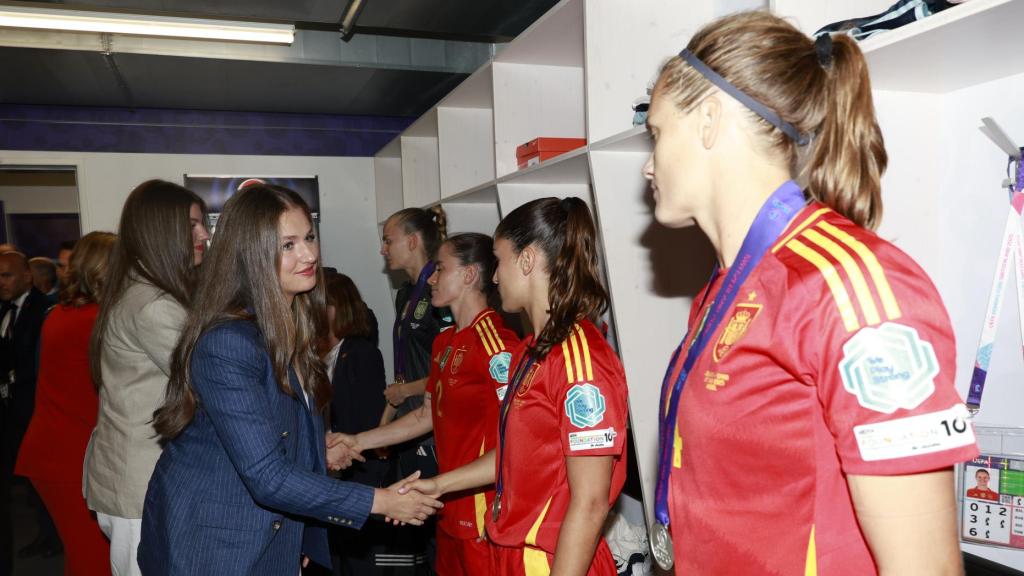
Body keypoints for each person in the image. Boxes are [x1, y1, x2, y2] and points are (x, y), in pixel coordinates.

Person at [642, 12, 980, 575]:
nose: (649, 166)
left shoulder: (851, 285)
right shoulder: (727, 288)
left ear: (708, 119)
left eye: (656, 132)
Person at [137, 184, 442, 575]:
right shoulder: (228, 342)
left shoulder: (289, 325)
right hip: (214, 545)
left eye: (310, 238)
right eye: (288, 245)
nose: (309, 254)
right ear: (250, 254)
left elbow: (281, 430)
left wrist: (320, 453)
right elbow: (266, 475)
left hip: (267, 533)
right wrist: (380, 501)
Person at [404, 198, 629, 575]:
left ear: (526, 261)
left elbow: (590, 501)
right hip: (512, 550)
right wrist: (440, 484)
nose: (494, 277)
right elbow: (515, 457)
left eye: (499, 260)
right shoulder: (531, 350)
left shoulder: (579, 359)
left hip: (552, 559)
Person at [332, 232, 519, 575]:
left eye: (440, 269)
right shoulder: (445, 341)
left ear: (468, 275)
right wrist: (358, 440)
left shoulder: (496, 344)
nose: (430, 279)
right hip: (445, 506)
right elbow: (425, 415)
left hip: (485, 513)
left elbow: (518, 443)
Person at [84, 179, 209, 576]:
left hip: (138, 479)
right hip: (142, 484)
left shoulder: (146, 291)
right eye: (192, 225)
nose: (204, 234)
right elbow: (213, 383)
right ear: (160, 230)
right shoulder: (153, 304)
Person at [15, 232, 117, 576]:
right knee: (94, 559)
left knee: (84, 556)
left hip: (53, 454)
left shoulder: (61, 313)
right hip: (71, 459)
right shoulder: (95, 320)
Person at [378, 207, 452, 572]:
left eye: (388, 241)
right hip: (411, 423)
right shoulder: (405, 294)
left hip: (434, 428)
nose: (383, 249)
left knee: (438, 524)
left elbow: (451, 369)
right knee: (416, 528)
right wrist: (385, 425)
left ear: (412, 241)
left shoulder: (440, 290)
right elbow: (407, 370)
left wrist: (407, 392)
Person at [321, 271, 390, 575]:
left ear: (337, 308)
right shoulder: (322, 357)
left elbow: (368, 422)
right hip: (335, 477)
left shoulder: (360, 354)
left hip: (357, 474)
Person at [0, 251, 57, 570]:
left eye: (7, 276)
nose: (1, 283)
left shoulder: (44, 311)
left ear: (26, 277)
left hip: (36, 410)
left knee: (39, 479)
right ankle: (43, 533)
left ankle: (51, 535)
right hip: (11, 412)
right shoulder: (5, 309)